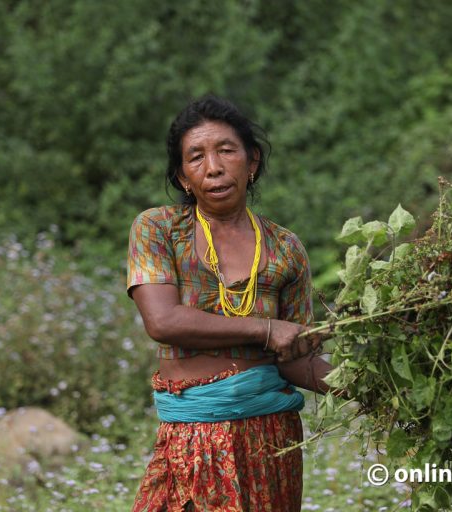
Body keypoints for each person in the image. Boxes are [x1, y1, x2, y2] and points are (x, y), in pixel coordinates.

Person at [127, 95, 333, 512]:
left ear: (251, 161)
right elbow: (163, 321)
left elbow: (295, 358)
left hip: (271, 437)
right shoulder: (158, 229)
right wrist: (266, 329)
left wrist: (372, 386)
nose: (214, 168)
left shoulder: (285, 247)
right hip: (193, 437)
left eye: (226, 151)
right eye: (196, 157)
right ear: (183, 176)